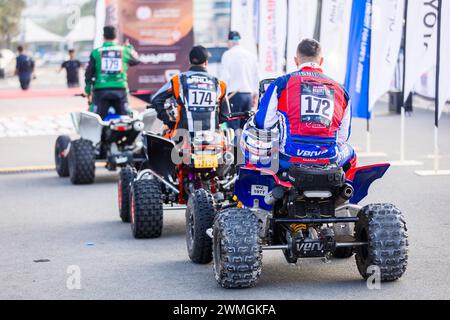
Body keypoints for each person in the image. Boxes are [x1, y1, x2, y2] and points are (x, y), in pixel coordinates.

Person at [243, 39, 355, 172]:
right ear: (321, 61)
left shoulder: (281, 83)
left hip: (288, 159)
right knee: (351, 152)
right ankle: (345, 189)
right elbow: (343, 136)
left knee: (247, 143)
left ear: (296, 61)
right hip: (328, 158)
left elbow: (264, 123)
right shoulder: (341, 91)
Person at [152, 45, 230, 138]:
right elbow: (225, 115)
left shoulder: (178, 80)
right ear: (206, 62)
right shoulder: (219, 84)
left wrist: (168, 121)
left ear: (190, 61)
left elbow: (156, 100)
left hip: (183, 137)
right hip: (212, 138)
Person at [85, 26, 140, 119]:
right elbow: (136, 60)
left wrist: (87, 90)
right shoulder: (124, 50)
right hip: (120, 89)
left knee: (98, 120)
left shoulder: (96, 52)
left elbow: (89, 73)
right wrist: (129, 47)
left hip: (101, 90)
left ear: (103, 36)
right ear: (116, 37)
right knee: (125, 119)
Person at [220, 31, 260, 131]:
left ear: (229, 42)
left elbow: (224, 77)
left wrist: (221, 97)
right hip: (248, 96)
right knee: (246, 128)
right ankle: (244, 146)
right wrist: (255, 94)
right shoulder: (251, 55)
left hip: (234, 96)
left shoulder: (227, 54)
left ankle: (234, 147)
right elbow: (257, 76)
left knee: (233, 129)